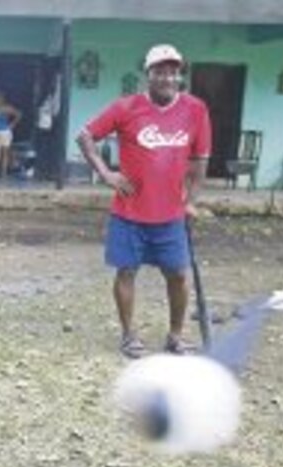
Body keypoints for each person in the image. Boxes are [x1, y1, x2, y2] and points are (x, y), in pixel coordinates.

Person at [76, 44, 211, 358]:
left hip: (170, 214)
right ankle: (128, 335)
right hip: (129, 212)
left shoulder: (196, 109)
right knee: (126, 272)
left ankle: (176, 335)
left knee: (178, 274)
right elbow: (85, 136)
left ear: (179, 75)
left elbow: (200, 161)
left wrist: (190, 201)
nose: (167, 78)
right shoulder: (126, 107)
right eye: (159, 71)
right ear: (148, 75)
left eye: (173, 72)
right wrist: (106, 173)